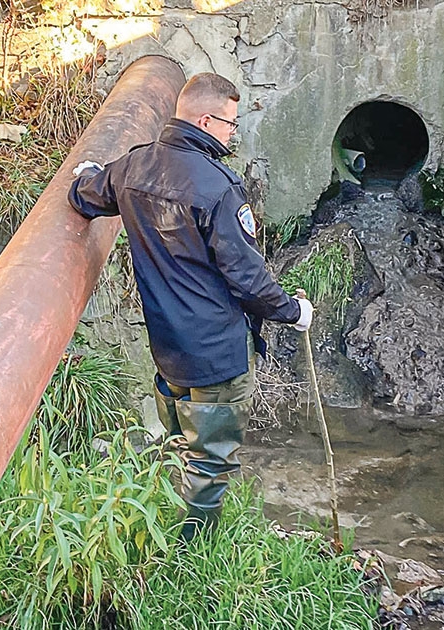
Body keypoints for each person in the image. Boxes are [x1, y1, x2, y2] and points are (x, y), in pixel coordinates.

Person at [68, 71, 313, 541]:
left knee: (182, 442)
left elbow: (85, 196)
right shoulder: (219, 188)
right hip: (218, 355)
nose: (232, 133)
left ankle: (162, 526)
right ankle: (192, 556)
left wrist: (87, 175)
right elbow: (246, 276)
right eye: (230, 124)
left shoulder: (134, 167)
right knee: (211, 463)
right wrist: (292, 311)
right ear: (206, 120)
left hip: (168, 350)